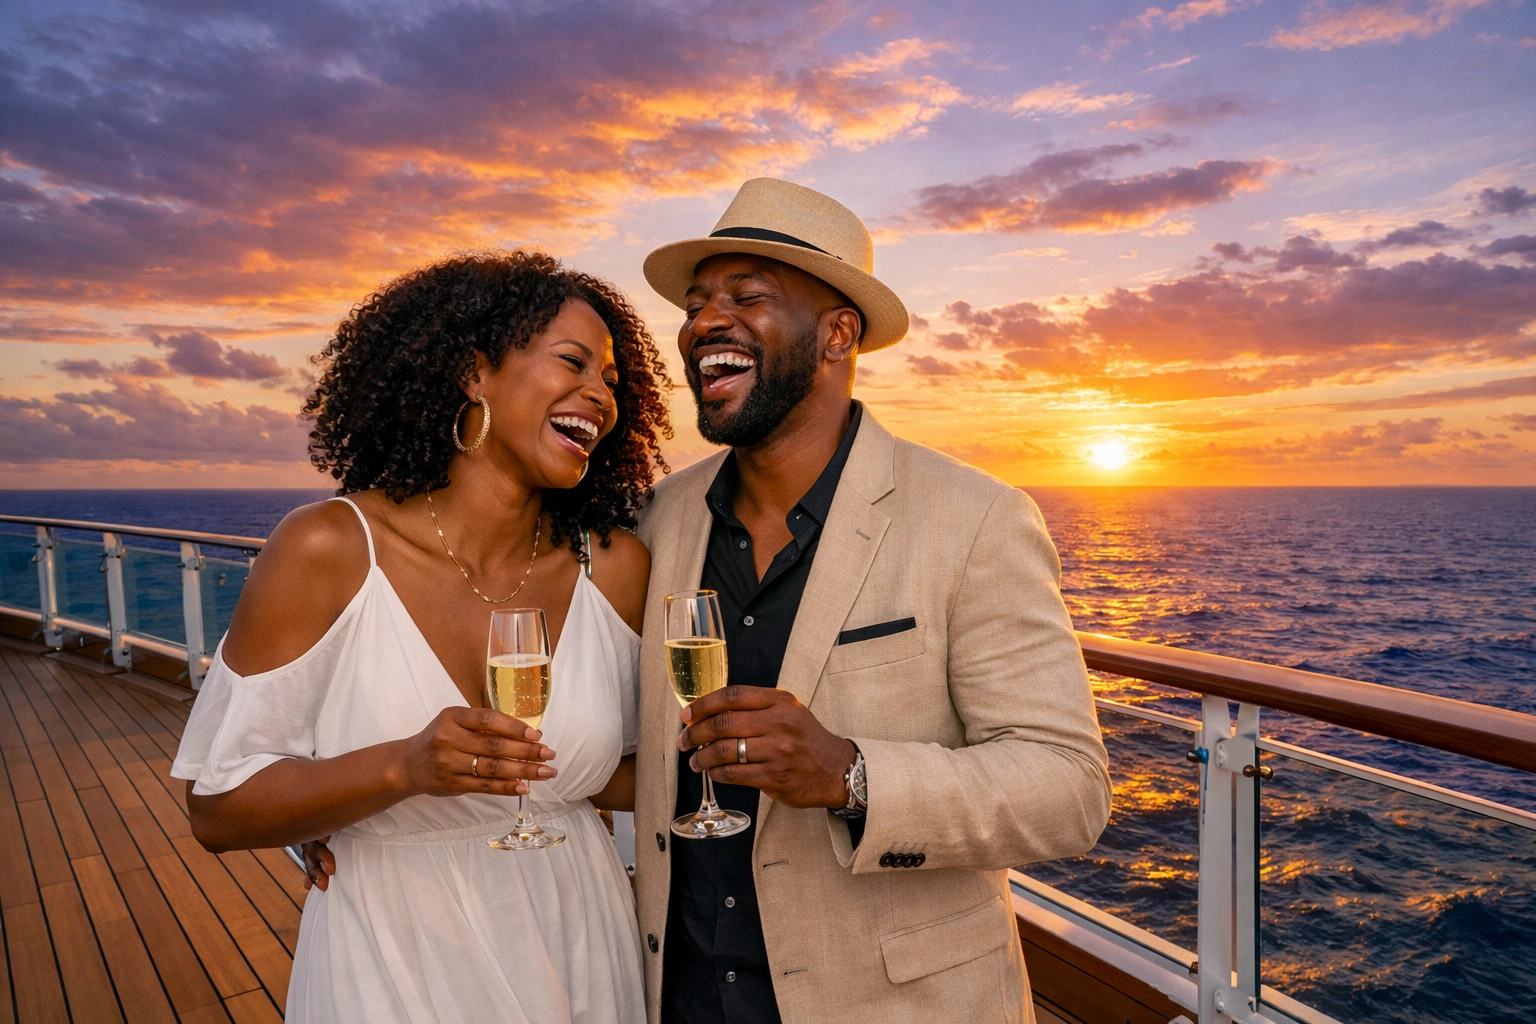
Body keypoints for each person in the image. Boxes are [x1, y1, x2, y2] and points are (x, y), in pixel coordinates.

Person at [630, 178, 1112, 1024]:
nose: (705, 322)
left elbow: (1069, 788)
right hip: (684, 998)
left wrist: (852, 774)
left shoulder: (977, 519)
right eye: (698, 301)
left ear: (838, 334)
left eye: (748, 296)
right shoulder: (661, 515)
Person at [172, 250, 671, 1024]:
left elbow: (613, 771)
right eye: (573, 361)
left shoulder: (613, 566)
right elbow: (220, 809)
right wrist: (400, 770)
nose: (601, 396)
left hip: (575, 935)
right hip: (392, 952)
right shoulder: (329, 549)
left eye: (612, 380)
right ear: (474, 373)